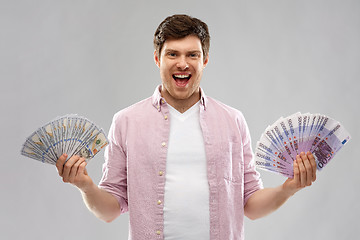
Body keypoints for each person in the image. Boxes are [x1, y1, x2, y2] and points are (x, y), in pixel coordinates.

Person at [56, 14, 317, 240]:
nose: (183, 63)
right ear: (158, 59)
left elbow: (250, 203)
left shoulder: (233, 121)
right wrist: (86, 187)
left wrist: (289, 188)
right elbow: (110, 210)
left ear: (204, 61)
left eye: (192, 54)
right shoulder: (126, 122)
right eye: (173, 54)